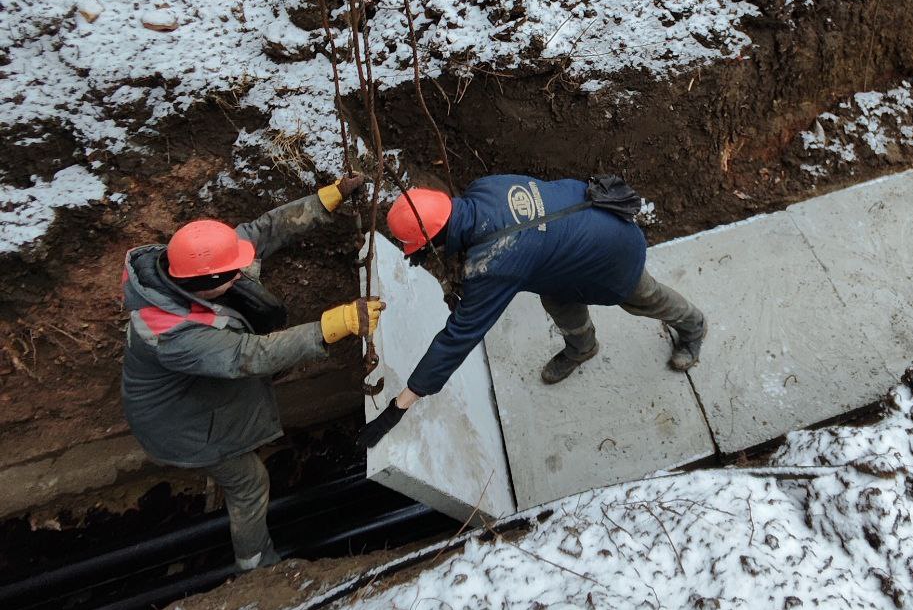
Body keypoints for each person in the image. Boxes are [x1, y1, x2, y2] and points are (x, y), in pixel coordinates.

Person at [121, 175, 383, 571]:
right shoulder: (174, 336)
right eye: (234, 273)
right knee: (249, 484)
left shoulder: (187, 264)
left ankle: (219, 491)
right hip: (182, 426)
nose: (242, 272)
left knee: (240, 452)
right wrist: (334, 325)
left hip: (198, 397)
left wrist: (325, 200)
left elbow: (262, 231)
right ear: (208, 284)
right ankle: (256, 565)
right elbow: (251, 355)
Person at [362, 175, 708, 449]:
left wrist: (399, 406)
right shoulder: (483, 189)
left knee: (645, 297)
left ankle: (694, 327)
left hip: (612, 250)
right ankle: (583, 348)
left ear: (433, 236)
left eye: (421, 248)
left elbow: (458, 338)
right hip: (583, 229)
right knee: (557, 299)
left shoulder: (494, 261)